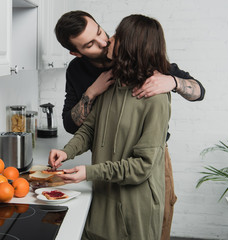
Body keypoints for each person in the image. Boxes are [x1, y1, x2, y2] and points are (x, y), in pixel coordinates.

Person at [54, 11, 206, 240]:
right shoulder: (96, 78)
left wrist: (173, 82)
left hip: (146, 164)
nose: (105, 41)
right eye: (91, 44)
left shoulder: (155, 88)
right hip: (106, 165)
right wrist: (92, 92)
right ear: (77, 53)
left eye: (101, 32)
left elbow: (199, 91)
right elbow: (79, 126)